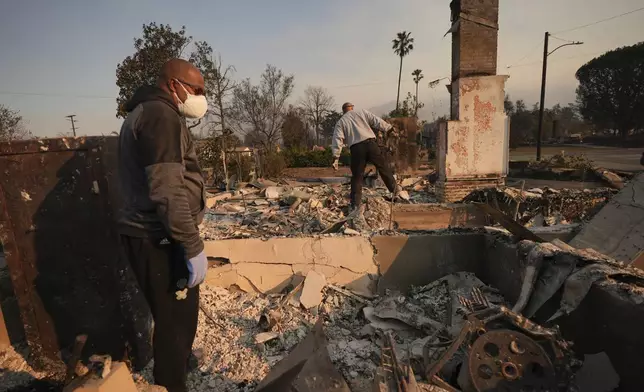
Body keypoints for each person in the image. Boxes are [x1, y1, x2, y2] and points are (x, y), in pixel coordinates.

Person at [117, 58, 209, 392]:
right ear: (174, 85)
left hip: (152, 232)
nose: (201, 97)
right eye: (196, 90)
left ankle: (179, 363)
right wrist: (192, 244)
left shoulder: (147, 112)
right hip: (157, 236)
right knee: (175, 319)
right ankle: (171, 383)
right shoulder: (160, 116)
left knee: (176, 314)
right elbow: (167, 190)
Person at [331, 102, 403, 211]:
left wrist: (336, 157)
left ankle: (355, 204)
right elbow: (376, 121)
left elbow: (337, 139)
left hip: (356, 149)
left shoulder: (341, 121)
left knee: (357, 176)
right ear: (352, 108)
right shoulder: (361, 112)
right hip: (371, 145)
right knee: (383, 167)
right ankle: (396, 191)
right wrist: (389, 128)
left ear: (343, 111)